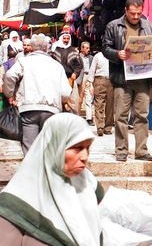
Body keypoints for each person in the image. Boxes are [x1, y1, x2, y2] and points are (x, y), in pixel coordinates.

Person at [0, 113, 104, 246]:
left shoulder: (89, 186)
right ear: (55, 146)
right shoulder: (15, 204)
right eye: (77, 148)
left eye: (87, 148)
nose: (85, 156)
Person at [102, 0, 152, 162]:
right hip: (122, 79)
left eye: (138, 13)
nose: (135, 17)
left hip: (143, 79)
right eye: (132, 13)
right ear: (126, 11)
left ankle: (141, 151)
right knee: (120, 115)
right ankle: (121, 150)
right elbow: (105, 48)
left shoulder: (149, 26)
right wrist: (117, 54)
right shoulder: (114, 26)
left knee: (142, 116)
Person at [3, 34, 72, 155]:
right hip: (51, 110)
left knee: (30, 148)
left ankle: (31, 170)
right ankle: (46, 171)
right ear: (46, 48)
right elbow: (66, 93)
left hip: (29, 109)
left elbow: (9, 76)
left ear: (33, 48)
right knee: (48, 147)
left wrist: (9, 94)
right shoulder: (57, 65)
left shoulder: (23, 62)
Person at [51, 31, 83, 114]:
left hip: (70, 79)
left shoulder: (74, 51)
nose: (66, 40)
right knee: (59, 101)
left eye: (68, 38)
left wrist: (75, 73)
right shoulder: (55, 51)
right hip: (57, 79)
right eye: (64, 38)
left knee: (74, 102)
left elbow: (79, 65)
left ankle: (75, 121)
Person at [88, 50, 114, 136]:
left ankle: (108, 127)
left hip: (112, 80)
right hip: (99, 80)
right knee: (99, 104)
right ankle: (100, 127)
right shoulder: (98, 56)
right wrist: (90, 84)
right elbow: (92, 70)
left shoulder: (114, 55)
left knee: (110, 105)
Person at [77, 41, 94, 126]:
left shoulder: (91, 58)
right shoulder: (77, 57)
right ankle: (76, 116)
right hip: (81, 77)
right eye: (86, 48)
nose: (88, 49)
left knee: (89, 98)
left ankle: (89, 118)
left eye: (88, 47)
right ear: (82, 48)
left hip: (89, 77)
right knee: (79, 98)